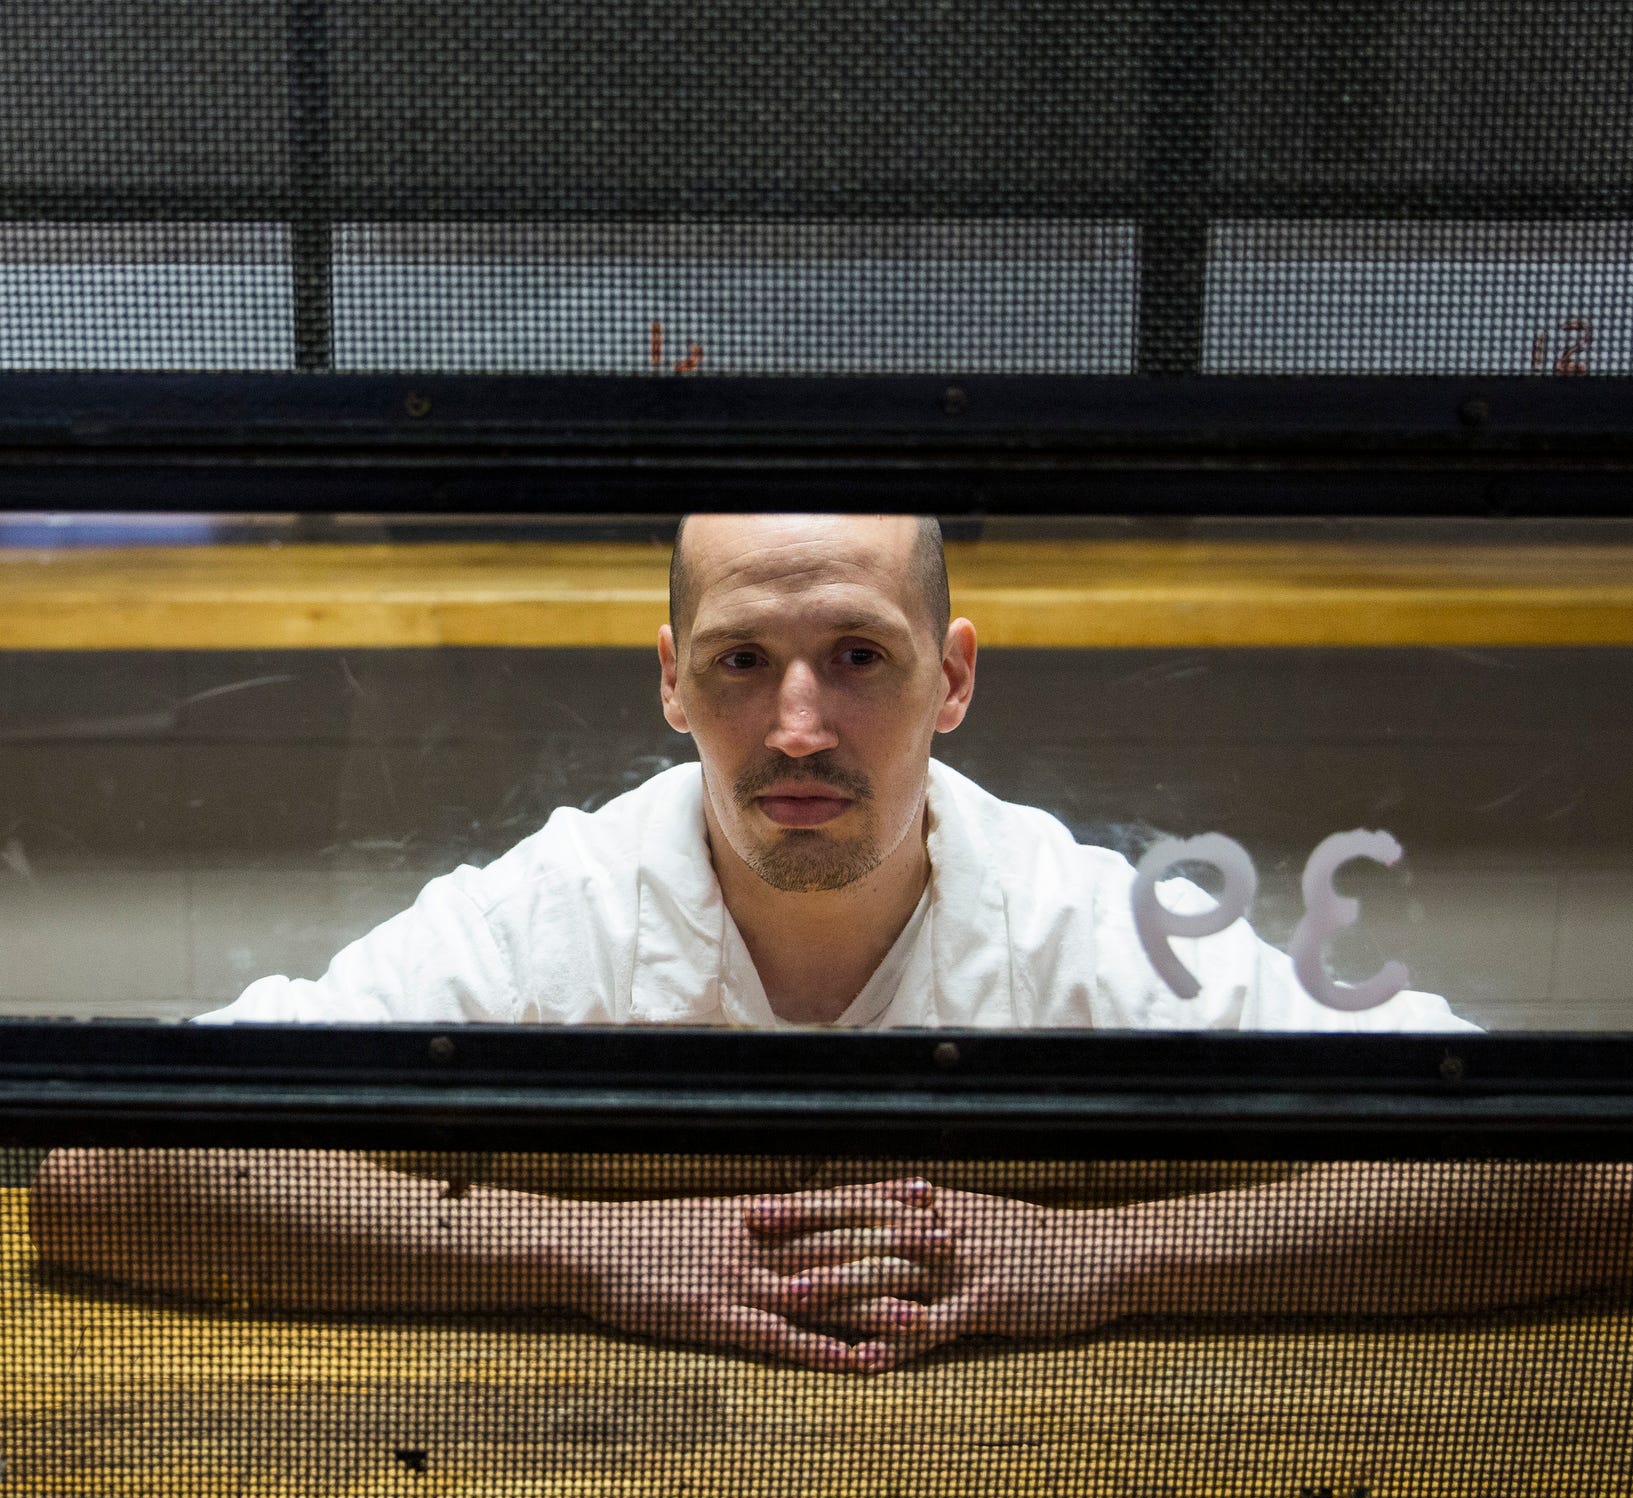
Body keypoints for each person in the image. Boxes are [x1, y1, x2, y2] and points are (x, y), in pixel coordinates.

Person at [28, 515, 1633, 1372]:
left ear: (953, 677)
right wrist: (587, 1253)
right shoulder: (562, 904)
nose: (797, 725)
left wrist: (1106, 1259)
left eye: (857, 654)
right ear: (670, 684)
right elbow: (113, 1170)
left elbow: (1574, 1179)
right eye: (742, 663)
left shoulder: (1084, 920)